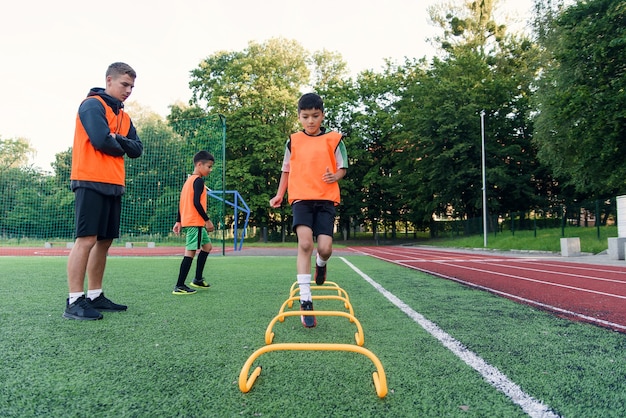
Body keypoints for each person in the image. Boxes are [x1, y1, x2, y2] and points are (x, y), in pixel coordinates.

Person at [63, 62, 143, 320]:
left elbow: (137, 149)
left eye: (132, 86)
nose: (128, 90)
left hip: (114, 183)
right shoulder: (91, 105)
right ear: (109, 80)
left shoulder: (124, 116)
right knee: (86, 240)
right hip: (89, 180)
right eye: (124, 85)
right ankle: (75, 300)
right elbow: (99, 140)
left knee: (104, 242)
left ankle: (95, 294)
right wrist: (121, 142)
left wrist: (117, 139)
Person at [269, 93, 348, 328]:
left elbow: (343, 166)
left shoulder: (334, 140)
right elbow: (286, 169)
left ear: (322, 115)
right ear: (299, 117)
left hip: (325, 200)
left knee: (325, 248)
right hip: (301, 198)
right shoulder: (293, 141)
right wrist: (280, 193)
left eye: (315, 116)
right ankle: (306, 299)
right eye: (305, 117)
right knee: (305, 243)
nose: (310, 121)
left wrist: (336, 175)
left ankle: (321, 265)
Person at [171, 150, 215, 295]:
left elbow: (182, 202)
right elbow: (196, 203)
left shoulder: (188, 181)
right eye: (209, 166)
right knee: (190, 252)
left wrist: (179, 221)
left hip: (193, 222)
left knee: (207, 247)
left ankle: (197, 279)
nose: (210, 169)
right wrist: (207, 221)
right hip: (195, 222)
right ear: (199, 164)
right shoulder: (198, 181)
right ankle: (179, 285)